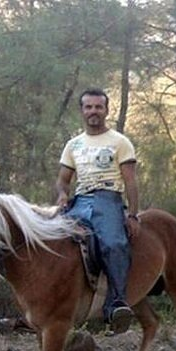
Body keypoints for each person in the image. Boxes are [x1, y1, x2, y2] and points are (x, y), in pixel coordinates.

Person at [55, 88, 140, 334]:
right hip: (80, 201)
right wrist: (62, 194)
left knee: (114, 244)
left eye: (98, 107)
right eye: (88, 107)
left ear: (106, 110)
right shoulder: (73, 145)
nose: (93, 111)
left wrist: (133, 214)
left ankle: (116, 304)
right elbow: (63, 180)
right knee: (56, 241)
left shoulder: (120, 142)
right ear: (82, 111)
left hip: (108, 199)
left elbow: (131, 182)